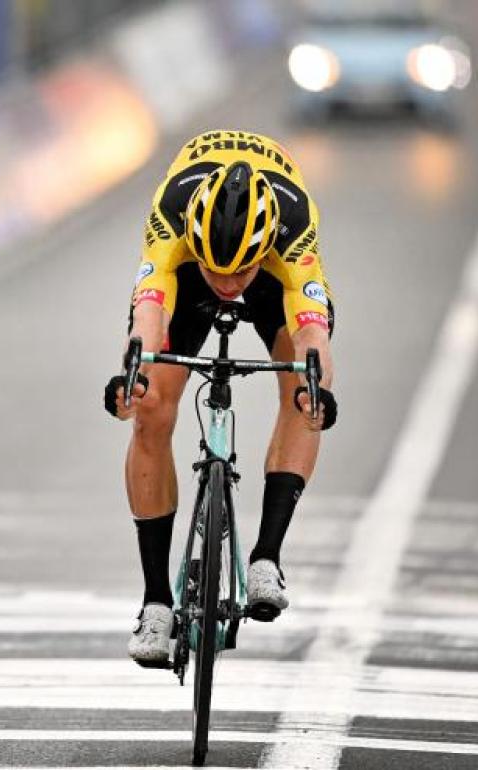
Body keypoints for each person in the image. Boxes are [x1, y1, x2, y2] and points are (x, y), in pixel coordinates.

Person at [104, 130, 336, 667]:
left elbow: (312, 332)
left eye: (240, 272)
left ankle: (267, 558)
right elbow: (148, 313)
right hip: (183, 280)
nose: (229, 283)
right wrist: (130, 376)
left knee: (305, 392)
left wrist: (317, 385)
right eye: (219, 271)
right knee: (150, 410)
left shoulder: (294, 223)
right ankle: (156, 601)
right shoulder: (171, 212)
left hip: (275, 283)